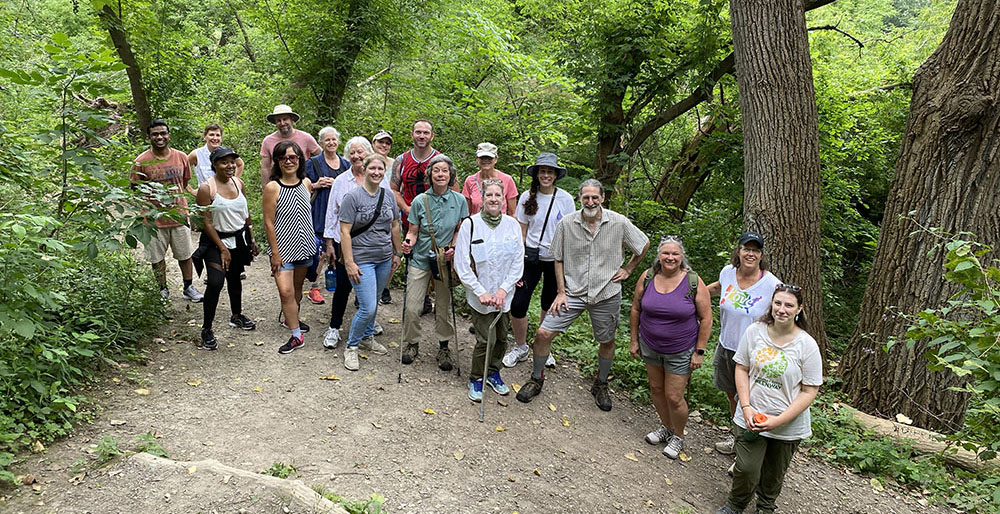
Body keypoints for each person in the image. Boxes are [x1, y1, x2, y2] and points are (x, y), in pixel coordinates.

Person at [515, 178, 649, 411]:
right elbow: (557, 258)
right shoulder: (567, 223)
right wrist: (560, 292)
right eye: (586, 197)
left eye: (595, 197)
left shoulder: (618, 222)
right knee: (544, 333)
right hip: (573, 292)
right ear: (580, 199)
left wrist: (628, 269)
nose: (590, 201)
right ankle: (537, 378)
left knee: (607, 340)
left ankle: (601, 383)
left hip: (606, 292)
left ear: (602, 198)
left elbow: (643, 243)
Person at [715, 284, 822, 514]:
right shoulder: (755, 331)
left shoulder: (807, 345)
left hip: (787, 424)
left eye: (789, 305)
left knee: (774, 473)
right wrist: (745, 407)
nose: (782, 309)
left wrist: (778, 421)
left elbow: (809, 390)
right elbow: (741, 367)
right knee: (746, 468)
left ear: (799, 309)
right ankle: (735, 505)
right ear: (771, 304)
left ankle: (765, 507)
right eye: (778, 303)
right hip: (751, 416)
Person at [630, 236, 712, 459]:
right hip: (650, 345)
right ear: (659, 255)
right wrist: (634, 340)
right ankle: (666, 427)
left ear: (681, 257)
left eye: (675, 254)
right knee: (656, 390)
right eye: (666, 253)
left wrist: (699, 351)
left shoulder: (693, 281)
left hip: (681, 349)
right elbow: (636, 308)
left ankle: (679, 435)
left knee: (674, 396)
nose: (670, 257)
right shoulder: (647, 277)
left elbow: (706, 318)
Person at [706, 232, 782, 455]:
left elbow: (785, 311)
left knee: (751, 400)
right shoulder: (728, 273)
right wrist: (687, 293)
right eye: (746, 249)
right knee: (732, 395)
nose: (750, 253)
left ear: (761, 255)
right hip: (727, 346)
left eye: (755, 250)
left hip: (755, 354)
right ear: (738, 251)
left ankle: (749, 449)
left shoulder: (772, 284)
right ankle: (737, 437)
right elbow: (716, 288)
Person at [503, 153, 576, 369]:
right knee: (518, 303)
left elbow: (570, 231)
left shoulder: (565, 199)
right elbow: (522, 231)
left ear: (555, 175)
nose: (546, 175)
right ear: (537, 174)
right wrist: (518, 258)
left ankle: (543, 347)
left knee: (549, 303)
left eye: (550, 172)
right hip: (530, 256)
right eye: (542, 171)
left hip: (555, 259)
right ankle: (520, 346)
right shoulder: (527, 197)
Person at [454, 180, 524, 401]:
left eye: (497, 195)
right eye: (489, 195)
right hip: (480, 297)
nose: (493, 199)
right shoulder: (470, 225)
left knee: (502, 338)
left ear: (504, 199)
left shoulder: (512, 225)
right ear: (482, 199)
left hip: (505, 296)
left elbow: (518, 261)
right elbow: (462, 264)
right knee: (486, 340)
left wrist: (504, 290)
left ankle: (493, 372)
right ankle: (476, 378)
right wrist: (480, 291)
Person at [321, 137, 391, 350]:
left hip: (375, 245)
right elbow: (332, 213)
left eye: (361, 152)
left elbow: (389, 210)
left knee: (372, 289)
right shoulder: (342, 181)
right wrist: (330, 243)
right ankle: (334, 326)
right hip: (347, 244)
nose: (356, 156)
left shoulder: (380, 178)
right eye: (352, 153)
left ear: (369, 154)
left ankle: (367, 324)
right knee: (343, 286)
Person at [400, 154, 469, 371]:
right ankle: (412, 343)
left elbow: (460, 229)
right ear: (430, 175)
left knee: (443, 306)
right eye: (436, 170)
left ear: (451, 175)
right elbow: (412, 231)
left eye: (445, 171)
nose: (441, 174)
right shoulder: (420, 200)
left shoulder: (459, 200)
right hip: (420, 258)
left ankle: (444, 346)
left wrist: (454, 247)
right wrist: (407, 244)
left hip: (444, 261)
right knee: (412, 307)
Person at [338, 154, 401, 371]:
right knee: (367, 306)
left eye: (380, 169)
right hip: (361, 258)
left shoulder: (389, 196)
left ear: (385, 172)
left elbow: (394, 225)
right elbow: (344, 232)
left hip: (383, 257)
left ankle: (367, 337)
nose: (376, 172)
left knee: (374, 300)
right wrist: (349, 262)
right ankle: (352, 346)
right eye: (372, 168)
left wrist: (398, 253)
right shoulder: (353, 197)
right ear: (364, 169)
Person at [130, 119, 204, 303]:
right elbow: (136, 187)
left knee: (185, 254)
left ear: (169, 135)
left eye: (163, 133)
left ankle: (188, 286)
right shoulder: (140, 162)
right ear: (148, 137)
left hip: (179, 215)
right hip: (153, 220)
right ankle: (162, 289)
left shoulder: (181, 157)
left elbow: (184, 182)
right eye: (155, 134)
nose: (159, 137)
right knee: (157, 258)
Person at [192, 147, 258, 350]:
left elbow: (245, 213)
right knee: (215, 282)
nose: (229, 166)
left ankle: (236, 315)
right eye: (224, 162)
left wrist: (252, 238)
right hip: (215, 241)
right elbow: (206, 222)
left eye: (232, 162)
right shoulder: (206, 188)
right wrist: (222, 248)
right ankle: (207, 329)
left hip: (239, 239)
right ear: (214, 165)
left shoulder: (239, 183)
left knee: (235, 277)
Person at [262, 141, 314, 354]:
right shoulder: (272, 187)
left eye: (293, 157)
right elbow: (268, 222)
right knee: (286, 292)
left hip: (304, 247)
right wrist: (274, 253)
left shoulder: (306, 183)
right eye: (283, 158)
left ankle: (291, 319)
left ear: (300, 159)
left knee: (298, 289)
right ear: (277, 162)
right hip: (282, 250)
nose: (289, 161)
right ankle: (296, 336)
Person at [391, 120, 441, 315]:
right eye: (418, 132)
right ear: (412, 134)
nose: (422, 136)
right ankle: (414, 299)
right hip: (408, 219)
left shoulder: (440, 160)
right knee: (412, 258)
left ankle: (430, 297)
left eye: (426, 133)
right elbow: (394, 189)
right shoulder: (401, 160)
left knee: (433, 259)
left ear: (432, 136)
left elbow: (453, 190)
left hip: (435, 220)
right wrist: (406, 208)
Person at [303, 126, 350, 306]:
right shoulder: (312, 162)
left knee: (338, 247)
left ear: (338, 142)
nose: (331, 143)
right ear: (321, 143)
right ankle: (314, 287)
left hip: (340, 211)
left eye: (333, 139)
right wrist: (316, 184)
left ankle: (338, 281)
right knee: (320, 249)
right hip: (320, 208)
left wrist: (337, 183)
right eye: (327, 140)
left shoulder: (345, 164)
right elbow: (301, 185)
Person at [259, 104, 321, 187]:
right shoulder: (268, 141)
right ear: (275, 123)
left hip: (302, 182)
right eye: (278, 120)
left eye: (285, 119)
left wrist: (320, 179)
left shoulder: (306, 137)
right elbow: (265, 167)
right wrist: (265, 187)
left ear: (292, 120)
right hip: (278, 184)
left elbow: (322, 156)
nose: (282, 123)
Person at [460, 142, 518, 215]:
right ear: (477, 159)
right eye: (482, 158)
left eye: (489, 158)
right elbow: (466, 212)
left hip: (500, 224)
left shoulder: (507, 180)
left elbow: (512, 213)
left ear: (496, 159)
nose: (486, 160)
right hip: (476, 224)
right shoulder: (470, 181)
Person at [372, 129, 395, 305]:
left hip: (390, 210)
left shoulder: (395, 164)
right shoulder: (368, 162)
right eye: (381, 142)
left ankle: (384, 286)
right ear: (373, 143)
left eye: (387, 143)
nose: (384, 145)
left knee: (390, 249)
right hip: (370, 211)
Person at [187, 123, 245, 191]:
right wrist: (191, 190)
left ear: (221, 138)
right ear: (205, 137)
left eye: (218, 135)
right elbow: (180, 170)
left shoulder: (228, 153)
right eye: (211, 135)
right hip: (206, 195)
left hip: (226, 193)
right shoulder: (196, 154)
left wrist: (235, 181)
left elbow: (240, 164)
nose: (215, 138)